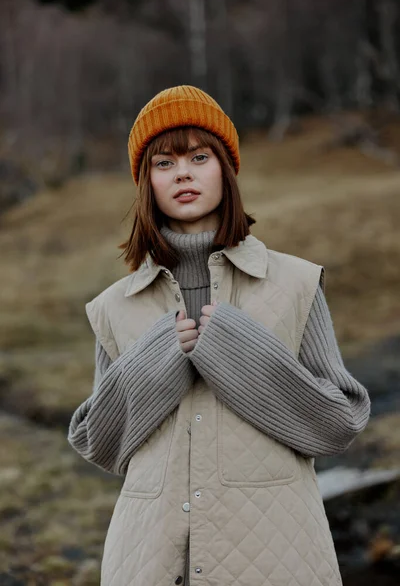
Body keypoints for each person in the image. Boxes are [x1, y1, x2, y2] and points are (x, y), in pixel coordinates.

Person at [68, 85, 371, 586]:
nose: (183, 172)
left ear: (225, 171)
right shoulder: (114, 307)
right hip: (147, 561)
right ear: (146, 183)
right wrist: (151, 365)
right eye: (163, 163)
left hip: (277, 556)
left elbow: (339, 423)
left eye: (199, 156)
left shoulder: (295, 283)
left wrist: (239, 351)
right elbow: (98, 443)